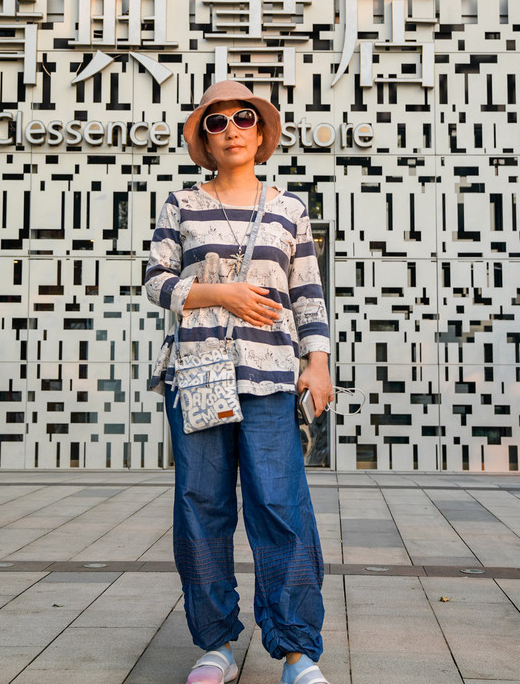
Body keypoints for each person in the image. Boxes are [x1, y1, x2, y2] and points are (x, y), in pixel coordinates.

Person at [144, 79, 334, 684]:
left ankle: (297, 650)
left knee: (280, 505)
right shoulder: (181, 204)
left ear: (261, 132)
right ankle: (217, 643)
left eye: (243, 118)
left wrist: (318, 362)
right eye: (216, 121)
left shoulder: (288, 209)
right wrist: (218, 293)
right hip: (198, 377)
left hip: (270, 378)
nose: (231, 130)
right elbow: (155, 282)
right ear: (204, 139)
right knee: (201, 505)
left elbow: (308, 294)